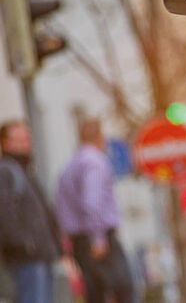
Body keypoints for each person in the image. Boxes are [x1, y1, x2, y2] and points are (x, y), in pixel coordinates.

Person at [56, 118, 134, 303]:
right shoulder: (95, 162)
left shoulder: (70, 166)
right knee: (124, 290)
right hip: (98, 238)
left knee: (95, 293)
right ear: (101, 137)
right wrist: (98, 238)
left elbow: (61, 206)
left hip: (80, 240)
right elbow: (92, 202)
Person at [0, 120, 62, 303]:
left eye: (26, 138)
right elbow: (5, 214)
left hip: (41, 255)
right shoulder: (6, 172)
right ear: (5, 143)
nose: (25, 143)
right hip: (26, 259)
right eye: (19, 139)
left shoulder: (26, 171)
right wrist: (25, 244)